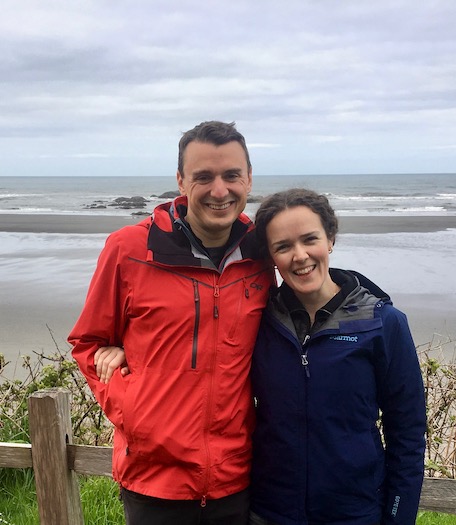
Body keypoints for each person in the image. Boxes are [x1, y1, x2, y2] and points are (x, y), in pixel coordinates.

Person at [69, 120, 275, 524]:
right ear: (181, 181)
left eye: (232, 175)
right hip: (153, 478)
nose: (220, 190)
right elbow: (88, 343)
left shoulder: (261, 253)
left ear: (249, 179)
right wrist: (132, 410)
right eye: (204, 177)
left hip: (237, 476)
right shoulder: (129, 249)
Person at [250, 188, 427, 524]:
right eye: (283, 247)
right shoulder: (258, 323)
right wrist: (122, 346)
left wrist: (398, 517)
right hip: (268, 513)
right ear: (271, 256)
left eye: (309, 239)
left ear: (330, 239)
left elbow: (407, 434)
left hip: (353, 515)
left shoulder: (383, 324)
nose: (299, 256)